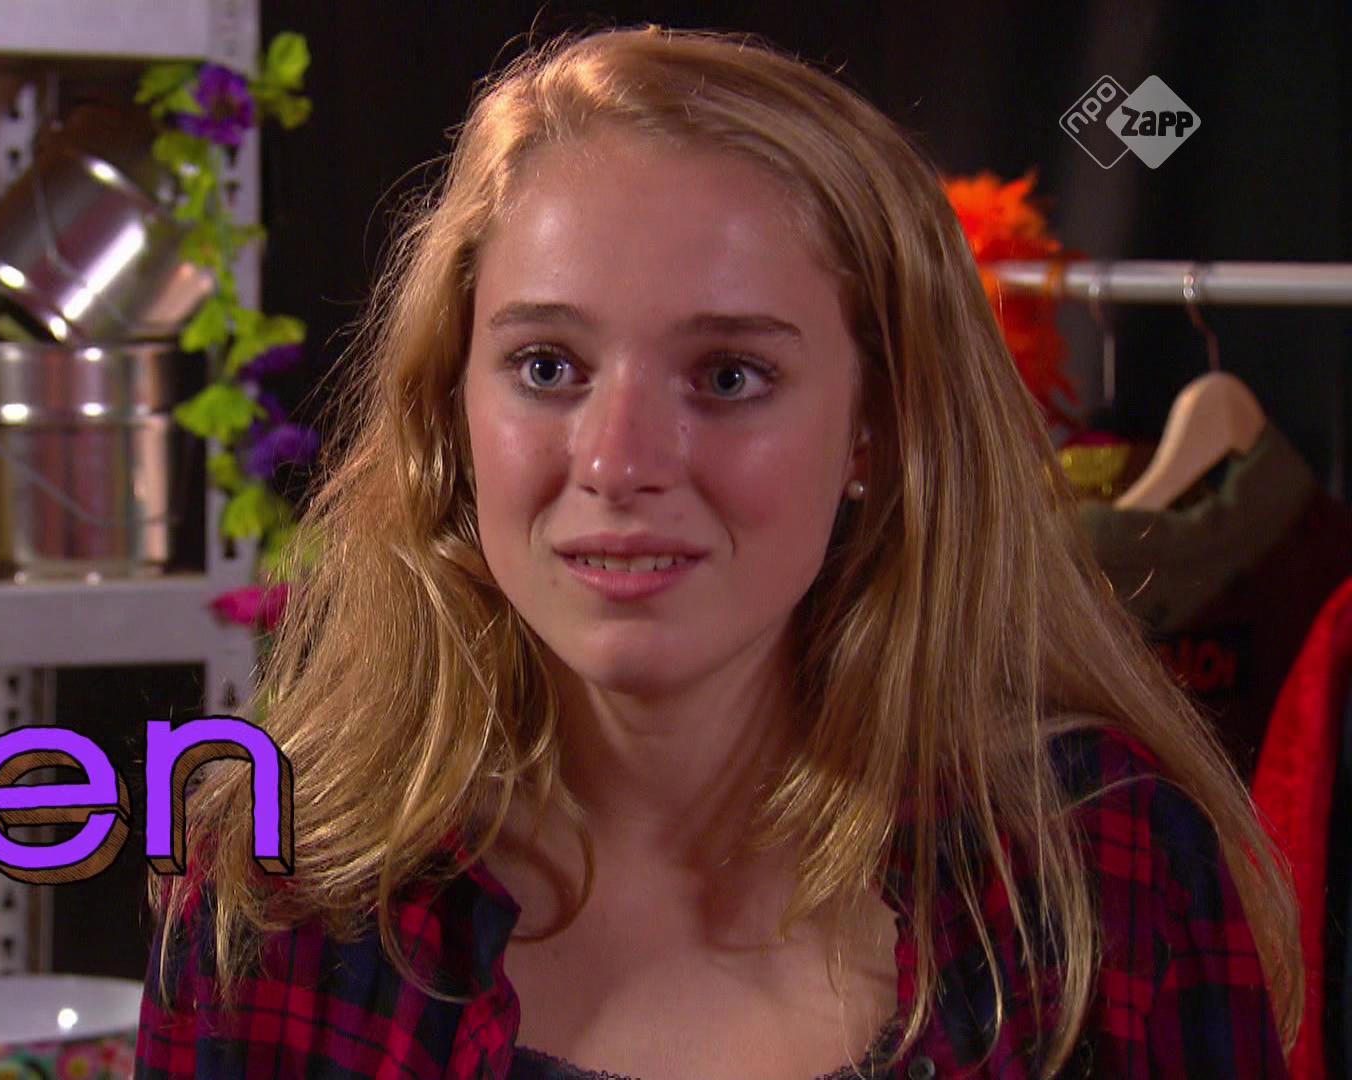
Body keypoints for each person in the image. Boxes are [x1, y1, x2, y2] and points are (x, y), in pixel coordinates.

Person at [134, 24, 1301, 1080]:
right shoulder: (284, 897)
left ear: (876, 429)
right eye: (548, 367)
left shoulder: (1104, 872)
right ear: (453, 406)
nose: (618, 461)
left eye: (729, 376)